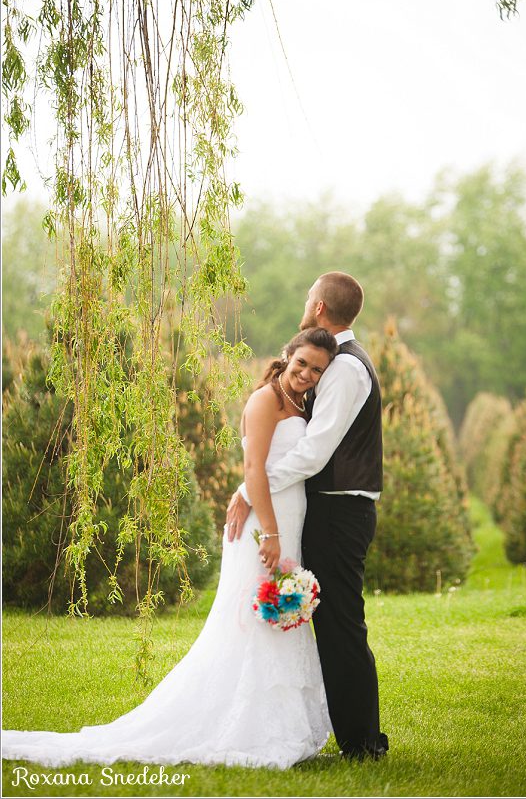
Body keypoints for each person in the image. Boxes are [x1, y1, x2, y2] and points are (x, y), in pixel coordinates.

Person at [1, 328, 339, 769]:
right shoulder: (265, 401)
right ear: (286, 356)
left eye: (317, 370)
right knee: (252, 618)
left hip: (288, 519)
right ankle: (243, 722)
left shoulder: (300, 402)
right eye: (302, 364)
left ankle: (280, 721)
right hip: (265, 525)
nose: (307, 374)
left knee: (276, 617)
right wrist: (271, 534)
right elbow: (254, 469)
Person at [225, 271, 389, 762]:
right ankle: (354, 738)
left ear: (319, 306)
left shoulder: (345, 369)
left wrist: (248, 489)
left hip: (341, 511)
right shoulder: (330, 364)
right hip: (326, 509)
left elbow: (316, 452)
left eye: (306, 294)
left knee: (341, 625)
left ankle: (363, 744)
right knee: (333, 623)